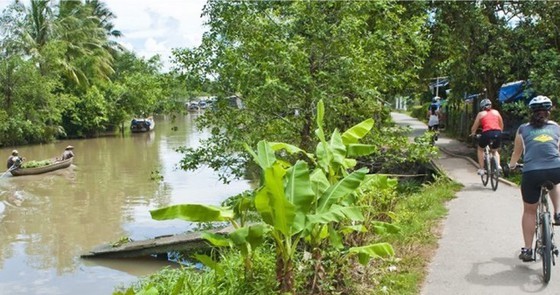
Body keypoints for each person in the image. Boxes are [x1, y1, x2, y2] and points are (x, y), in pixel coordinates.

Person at [507, 95, 560, 262]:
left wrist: (512, 165)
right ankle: (558, 213)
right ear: (548, 112)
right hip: (555, 169)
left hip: (531, 172)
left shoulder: (523, 129)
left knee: (529, 211)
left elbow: (517, 152)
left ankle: (528, 250)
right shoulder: (556, 127)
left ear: (531, 112)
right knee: (555, 181)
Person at [470, 98, 504, 175]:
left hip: (487, 133)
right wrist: (500, 132)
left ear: (482, 107)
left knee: (480, 149)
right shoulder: (496, 112)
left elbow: (474, 127)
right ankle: (498, 166)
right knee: (495, 151)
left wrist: (473, 133)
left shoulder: (481, 114)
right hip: (497, 132)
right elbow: (501, 124)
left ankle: (482, 169)